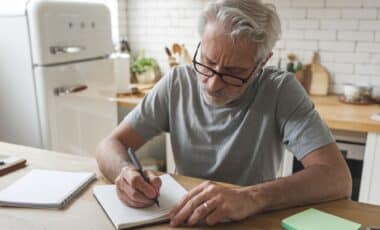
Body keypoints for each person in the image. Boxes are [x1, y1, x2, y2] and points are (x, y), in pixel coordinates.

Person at [96, 0, 352, 227]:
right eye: (207, 63)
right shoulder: (177, 83)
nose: (212, 84)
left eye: (234, 72)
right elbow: (110, 144)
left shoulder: (280, 90)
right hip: (183, 218)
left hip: (254, 220)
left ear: (262, 63)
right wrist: (125, 173)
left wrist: (252, 197)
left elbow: (337, 178)